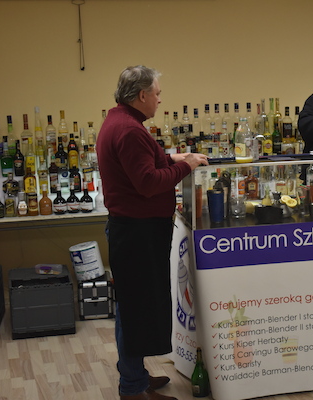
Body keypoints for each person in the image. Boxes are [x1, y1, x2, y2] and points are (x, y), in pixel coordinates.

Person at [97, 65, 209, 400]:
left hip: (133, 229)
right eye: (157, 93)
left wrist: (174, 157)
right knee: (135, 312)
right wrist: (185, 166)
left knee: (134, 308)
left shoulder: (119, 121)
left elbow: (143, 162)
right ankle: (132, 388)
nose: (160, 99)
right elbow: (147, 182)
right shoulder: (129, 130)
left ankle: (135, 376)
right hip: (137, 233)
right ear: (142, 94)